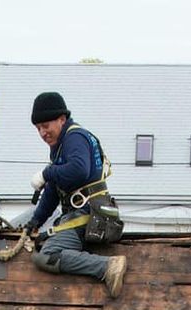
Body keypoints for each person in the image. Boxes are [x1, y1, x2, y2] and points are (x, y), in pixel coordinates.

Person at [22, 91, 127, 298]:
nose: (43, 133)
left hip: (88, 215)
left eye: (46, 126)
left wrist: (46, 172)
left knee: (47, 255)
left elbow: (79, 170)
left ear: (62, 119)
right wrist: (35, 222)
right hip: (80, 215)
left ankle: (107, 266)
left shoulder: (75, 138)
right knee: (42, 240)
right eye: (38, 128)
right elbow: (53, 190)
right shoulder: (61, 146)